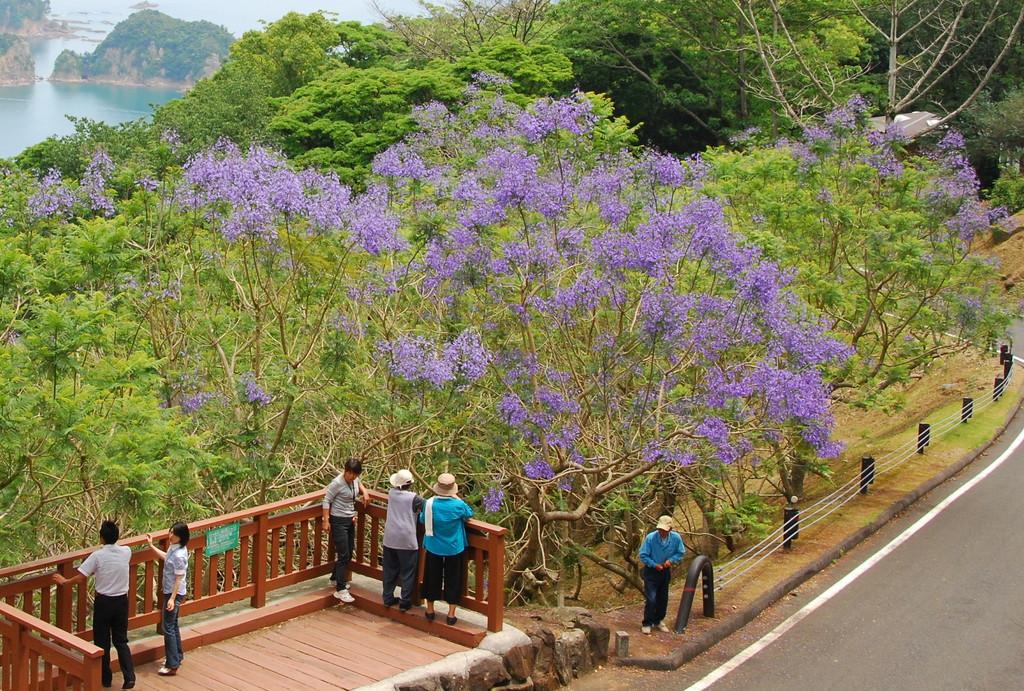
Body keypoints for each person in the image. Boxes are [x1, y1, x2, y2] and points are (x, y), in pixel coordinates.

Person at [52, 520, 136, 689]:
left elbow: (82, 576)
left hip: (104, 602)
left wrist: (65, 582)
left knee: (102, 641)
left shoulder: (98, 556)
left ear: (101, 538)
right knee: (121, 640)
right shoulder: (126, 551)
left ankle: (105, 679)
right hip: (122, 601)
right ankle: (129, 677)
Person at [419, 472, 473, 625]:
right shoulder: (458, 505)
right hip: (453, 547)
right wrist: (458, 498)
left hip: (433, 546)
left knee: (431, 577)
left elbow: (422, 519)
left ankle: (430, 610)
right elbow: (469, 514)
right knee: (453, 579)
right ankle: (451, 614)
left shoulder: (429, 503)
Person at [322, 458, 370, 603]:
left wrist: (365, 492)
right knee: (343, 554)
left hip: (350, 519)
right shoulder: (337, 483)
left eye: (355, 475)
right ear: (345, 471)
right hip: (338, 521)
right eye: (350, 474)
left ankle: (335, 579)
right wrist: (326, 520)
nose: (353, 477)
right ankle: (341, 590)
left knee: (349, 551)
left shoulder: (355, 480)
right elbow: (326, 500)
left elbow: (359, 483)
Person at [147, 522, 190, 676]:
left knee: (168, 627)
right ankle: (177, 656)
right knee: (173, 624)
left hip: (174, 593)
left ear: (181, 537)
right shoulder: (174, 548)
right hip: (170, 591)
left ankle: (172, 664)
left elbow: (179, 578)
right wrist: (152, 546)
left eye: (174, 534)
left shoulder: (179, 555)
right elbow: (166, 557)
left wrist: (172, 599)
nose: (170, 535)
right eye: (170, 532)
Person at [382, 469, 424, 612]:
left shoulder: (391, 493)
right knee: (407, 572)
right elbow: (427, 507)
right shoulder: (415, 498)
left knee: (390, 570)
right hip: (407, 539)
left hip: (390, 537)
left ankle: (387, 598)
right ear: (410, 484)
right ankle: (405, 602)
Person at [638, 515, 685, 635]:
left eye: (664, 530)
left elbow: (680, 552)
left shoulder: (676, 538)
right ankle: (647, 622)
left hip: (665, 571)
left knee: (663, 598)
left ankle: (658, 620)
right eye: (660, 530)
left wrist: (671, 560)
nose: (662, 532)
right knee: (651, 598)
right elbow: (643, 554)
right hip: (651, 571)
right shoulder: (651, 538)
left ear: (669, 529)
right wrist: (654, 564)